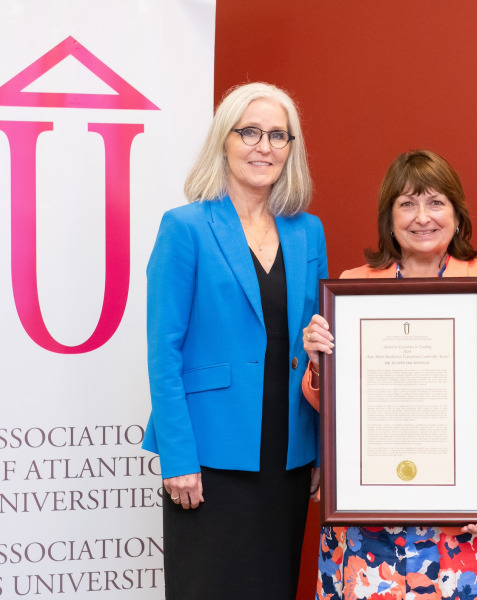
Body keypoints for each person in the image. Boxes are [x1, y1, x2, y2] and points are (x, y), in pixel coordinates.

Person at [302, 150, 477, 600]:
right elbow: (336, 405)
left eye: (436, 203)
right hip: (368, 522)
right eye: (407, 204)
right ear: (388, 217)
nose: (422, 218)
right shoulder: (353, 286)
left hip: (469, 518)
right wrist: (319, 363)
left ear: (457, 214)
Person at [142, 82, 327, 599]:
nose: (263, 146)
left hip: (287, 454)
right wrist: (178, 458)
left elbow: (316, 352)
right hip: (210, 458)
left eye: (277, 135)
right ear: (224, 139)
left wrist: (317, 451)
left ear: (291, 148)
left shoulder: (307, 231)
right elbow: (164, 353)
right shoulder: (185, 227)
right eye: (249, 132)